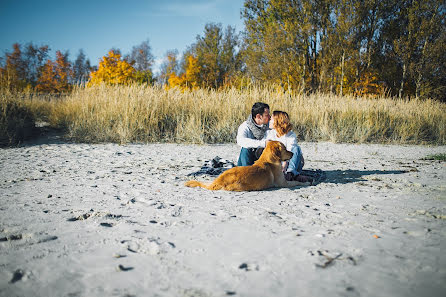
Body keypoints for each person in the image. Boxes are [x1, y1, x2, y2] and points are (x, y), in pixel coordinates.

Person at [266, 110, 313, 183]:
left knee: (296, 148)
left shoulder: (290, 135)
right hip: (278, 163)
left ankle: (290, 173)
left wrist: (285, 164)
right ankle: (293, 176)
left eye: (271, 119)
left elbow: (290, 152)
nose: (269, 120)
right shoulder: (270, 134)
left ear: (277, 121)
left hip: (291, 163)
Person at [236, 102, 271, 166]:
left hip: (263, 157)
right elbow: (240, 141)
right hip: (247, 159)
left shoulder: (270, 126)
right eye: (267, 115)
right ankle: (247, 173)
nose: (270, 117)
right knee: (246, 149)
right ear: (259, 116)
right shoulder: (245, 126)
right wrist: (263, 143)